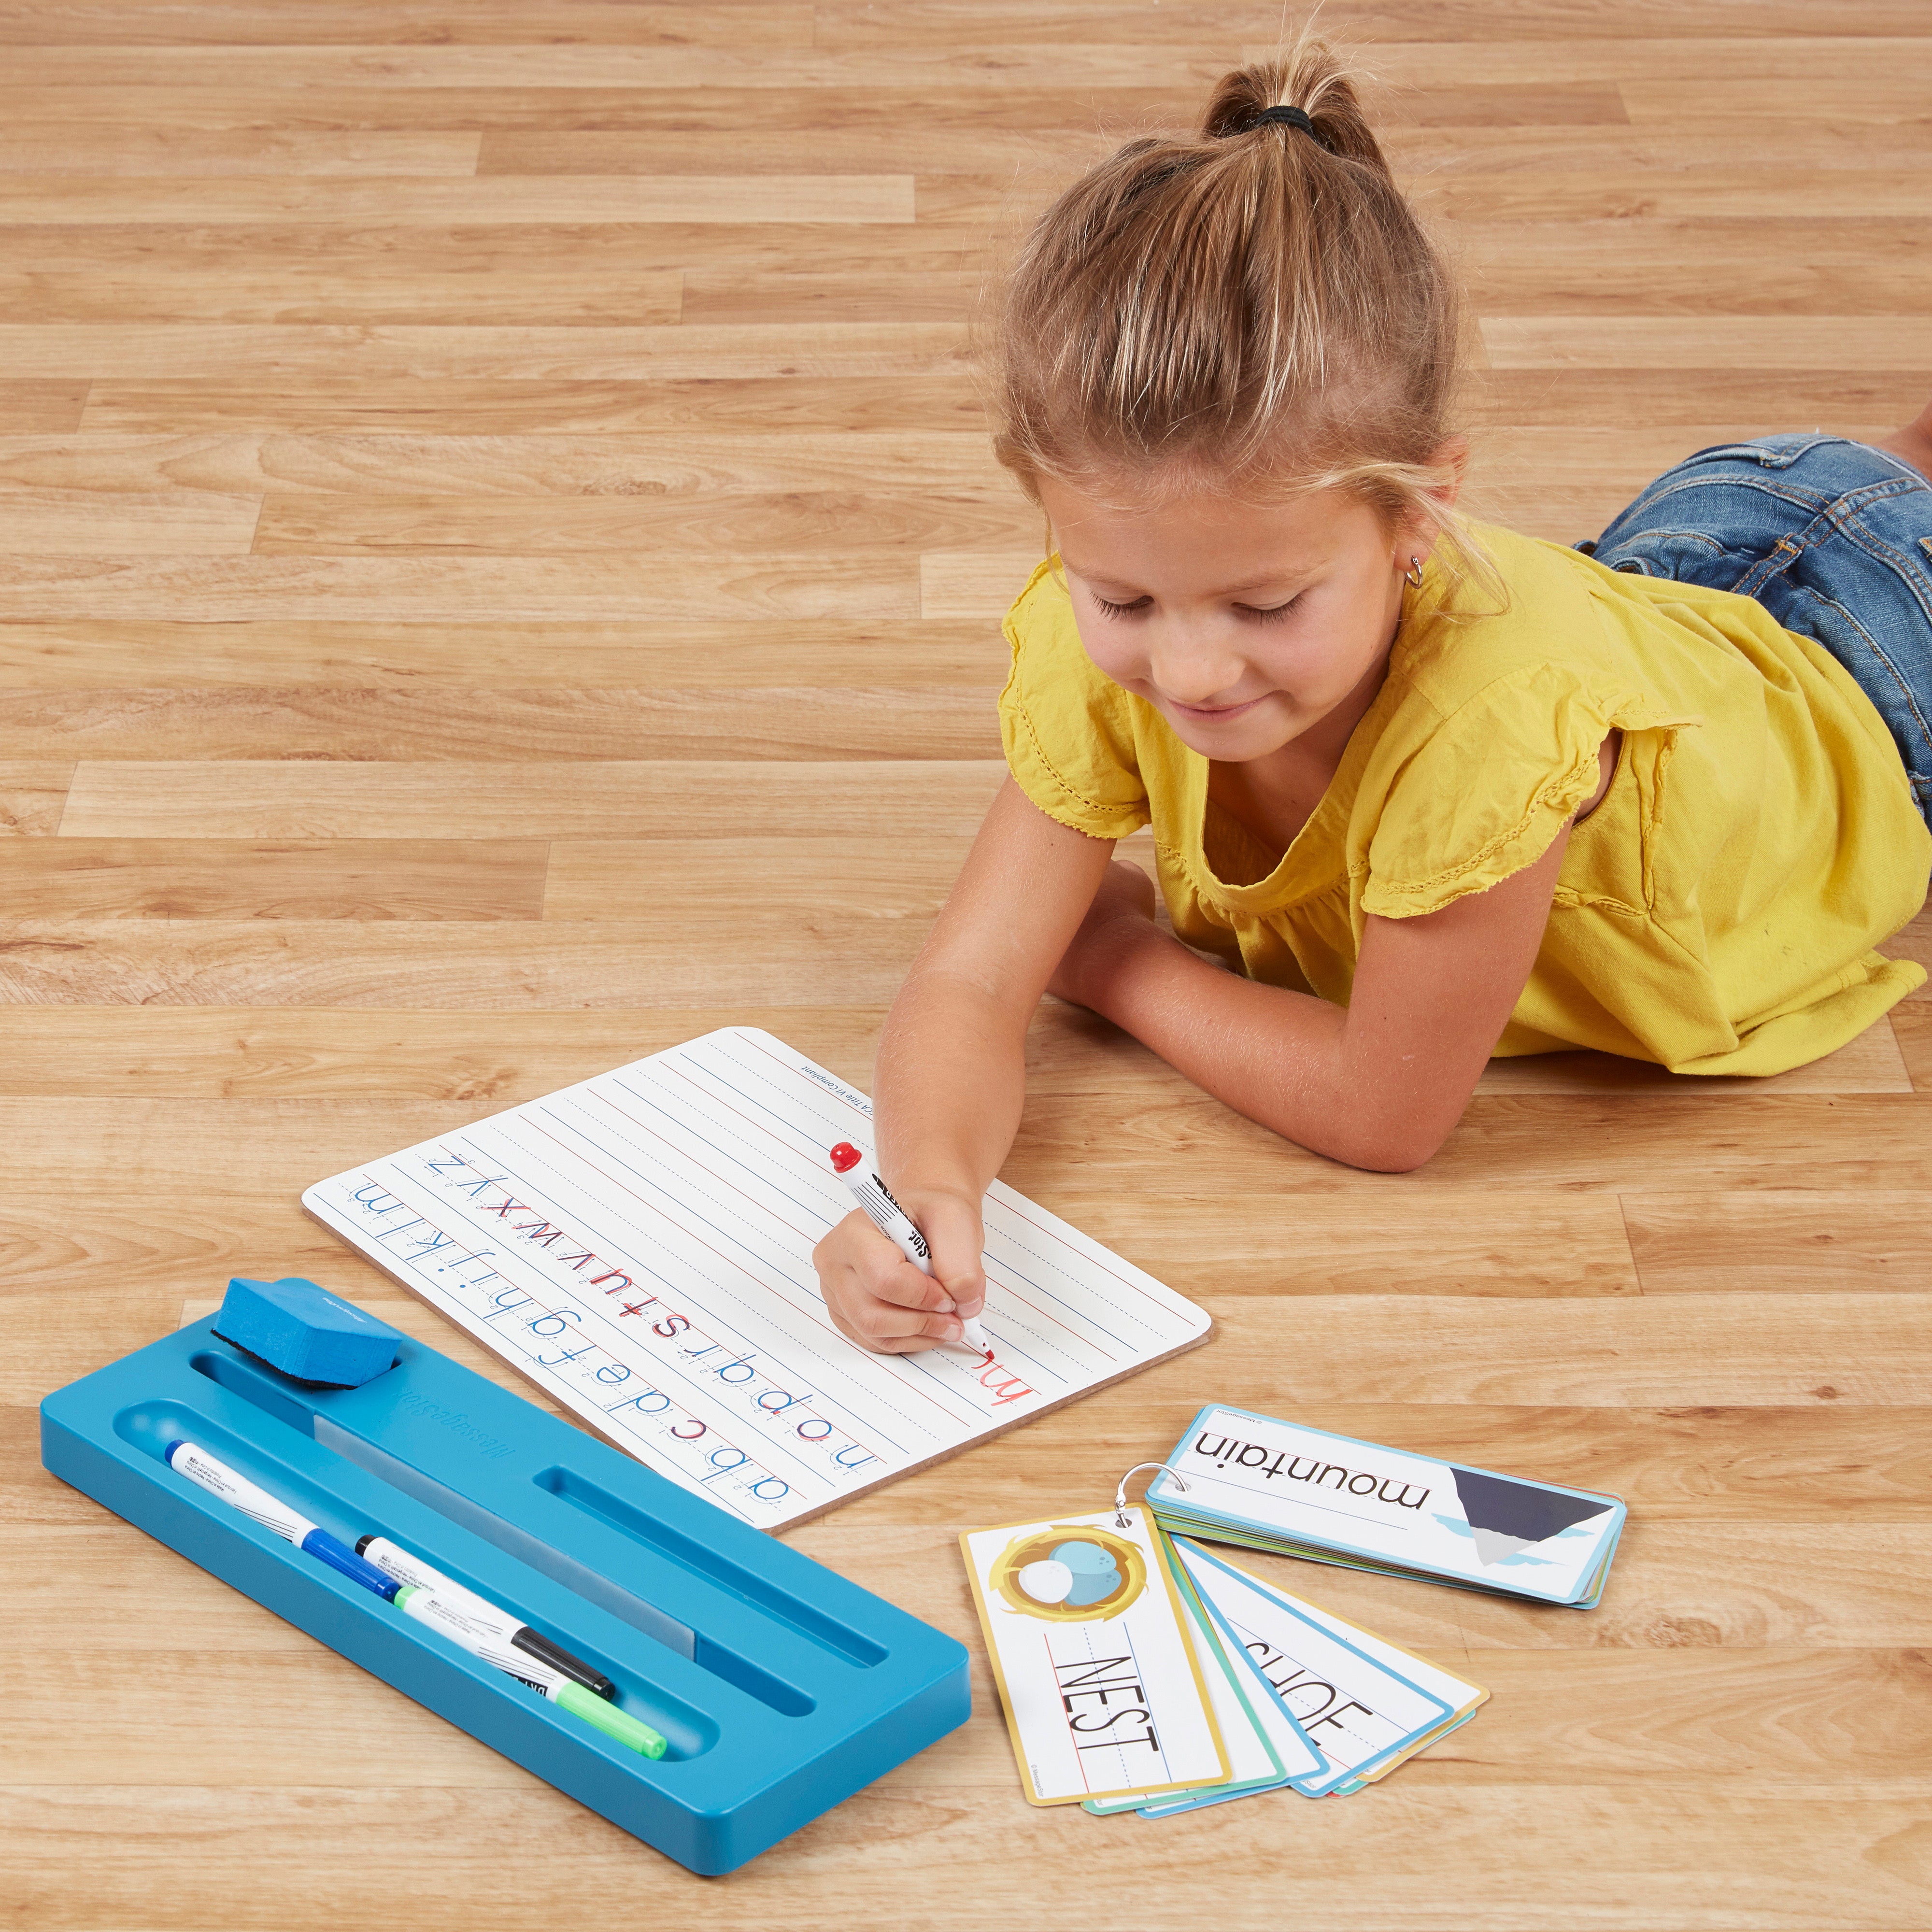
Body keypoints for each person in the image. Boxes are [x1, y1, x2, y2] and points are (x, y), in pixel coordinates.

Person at [812, 37, 1932, 1355]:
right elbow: (970, 980)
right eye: (1123, 601)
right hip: (1694, 558)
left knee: (1893, 496)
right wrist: (923, 1185)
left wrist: (1108, 952)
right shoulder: (1115, 614)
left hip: (1885, 677)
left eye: (1265, 606)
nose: (1186, 671)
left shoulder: (1495, 730)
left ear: (1422, 514)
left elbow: (1381, 1114)